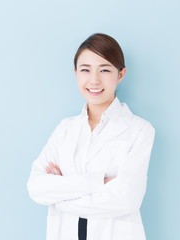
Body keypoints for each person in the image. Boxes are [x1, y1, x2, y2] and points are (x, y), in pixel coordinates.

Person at [27, 33, 155, 240]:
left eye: (104, 70)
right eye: (85, 70)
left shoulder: (140, 130)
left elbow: (125, 199)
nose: (94, 80)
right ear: (76, 72)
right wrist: (98, 182)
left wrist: (60, 195)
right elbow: (36, 187)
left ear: (120, 74)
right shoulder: (65, 129)